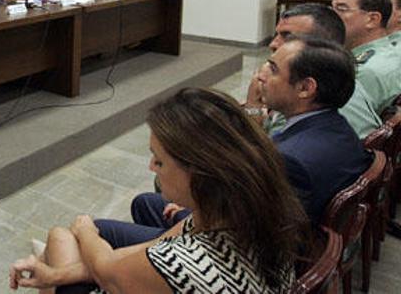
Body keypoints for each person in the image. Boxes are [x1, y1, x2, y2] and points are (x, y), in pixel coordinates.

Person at [9, 88, 308, 293]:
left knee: (61, 237)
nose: (151, 168)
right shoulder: (243, 212)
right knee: (61, 249)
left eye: (160, 161)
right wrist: (57, 274)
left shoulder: (184, 264)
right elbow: (141, 255)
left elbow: (112, 271)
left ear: (199, 172)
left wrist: (85, 229)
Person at [97, 36, 372, 251]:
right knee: (145, 202)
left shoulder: (293, 160)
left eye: (273, 69)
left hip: (239, 250)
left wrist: (197, 214)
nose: (262, 75)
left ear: (305, 88)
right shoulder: (337, 127)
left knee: (98, 229)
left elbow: (252, 232)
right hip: (279, 230)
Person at [245, 3, 382, 137]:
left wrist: (253, 107)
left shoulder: (306, 103)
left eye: (288, 37)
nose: (273, 44)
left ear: (319, 45)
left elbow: (262, 155)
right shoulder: (338, 80)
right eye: (277, 35)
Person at [332, 0, 401, 116]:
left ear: (372, 19)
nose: (329, 16)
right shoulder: (387, 54)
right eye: (332, 8)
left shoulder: (366, 71)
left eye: (341, 9)